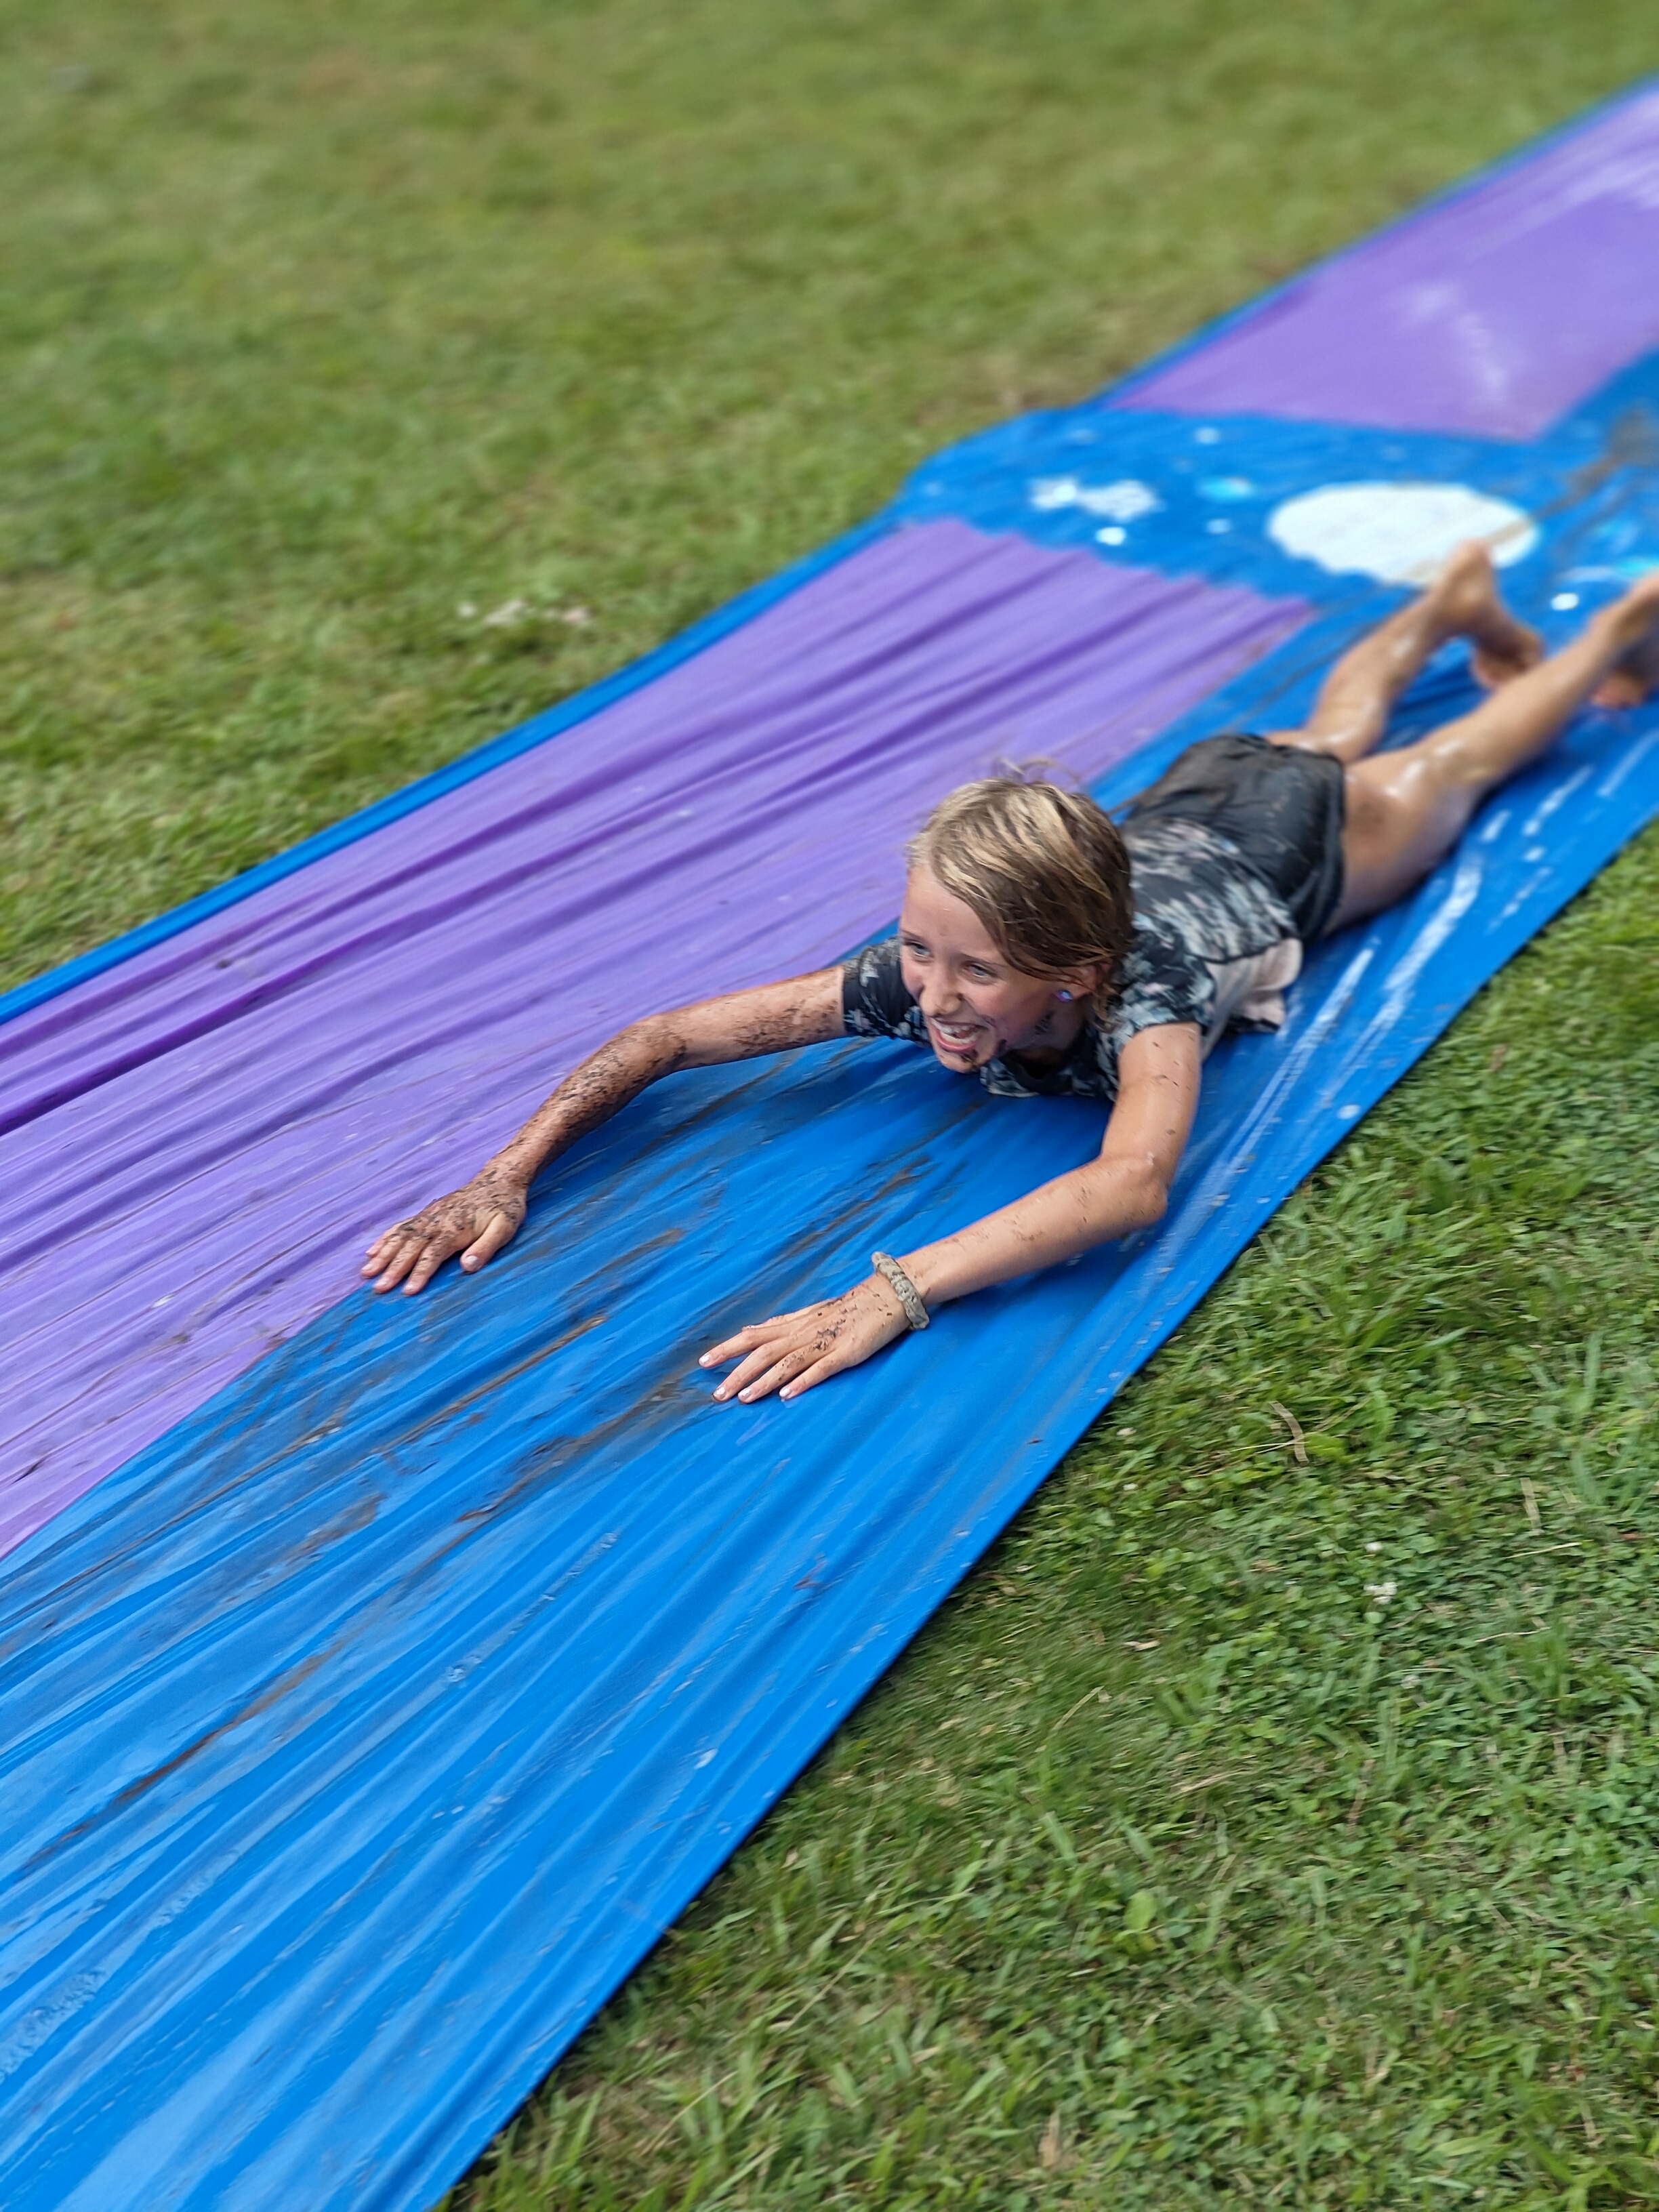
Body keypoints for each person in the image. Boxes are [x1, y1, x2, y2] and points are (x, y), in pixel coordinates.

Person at [364, 547, 1659, 1403]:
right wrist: (506, 1171)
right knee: (1320, 731)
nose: (930, 995)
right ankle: (1448, 605)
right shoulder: (918, 977)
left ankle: (1608, 624)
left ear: (1077, 976)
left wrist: (893, 1291)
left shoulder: (1140, 994)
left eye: (977, 973)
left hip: (1289, 849)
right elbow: (664, 1038)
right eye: (922, 948)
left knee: (1443, 770)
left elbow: (1132, 1182)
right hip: (1179, 810)